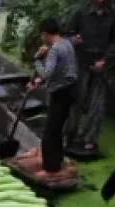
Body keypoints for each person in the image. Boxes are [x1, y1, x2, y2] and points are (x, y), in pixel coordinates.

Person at [64, 0, 115, 155]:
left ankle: (90, 139)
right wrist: (73, 40)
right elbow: (66, 34)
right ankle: (70, 136)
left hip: (102, 63)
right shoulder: (80, 12)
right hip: (81, 61)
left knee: (97, 105)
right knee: (76, 101)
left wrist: (105, 59)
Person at [27, 17, 77, 181]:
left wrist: (37, 59)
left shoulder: (55, 49)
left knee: (49, 132)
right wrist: (40, 80)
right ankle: (58, 161)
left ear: (45, 34)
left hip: (60, 93)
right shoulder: (67, 43)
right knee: (57, 129)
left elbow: (46, 73)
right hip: (69, 90)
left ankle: (51, 169)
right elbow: (60, 69)